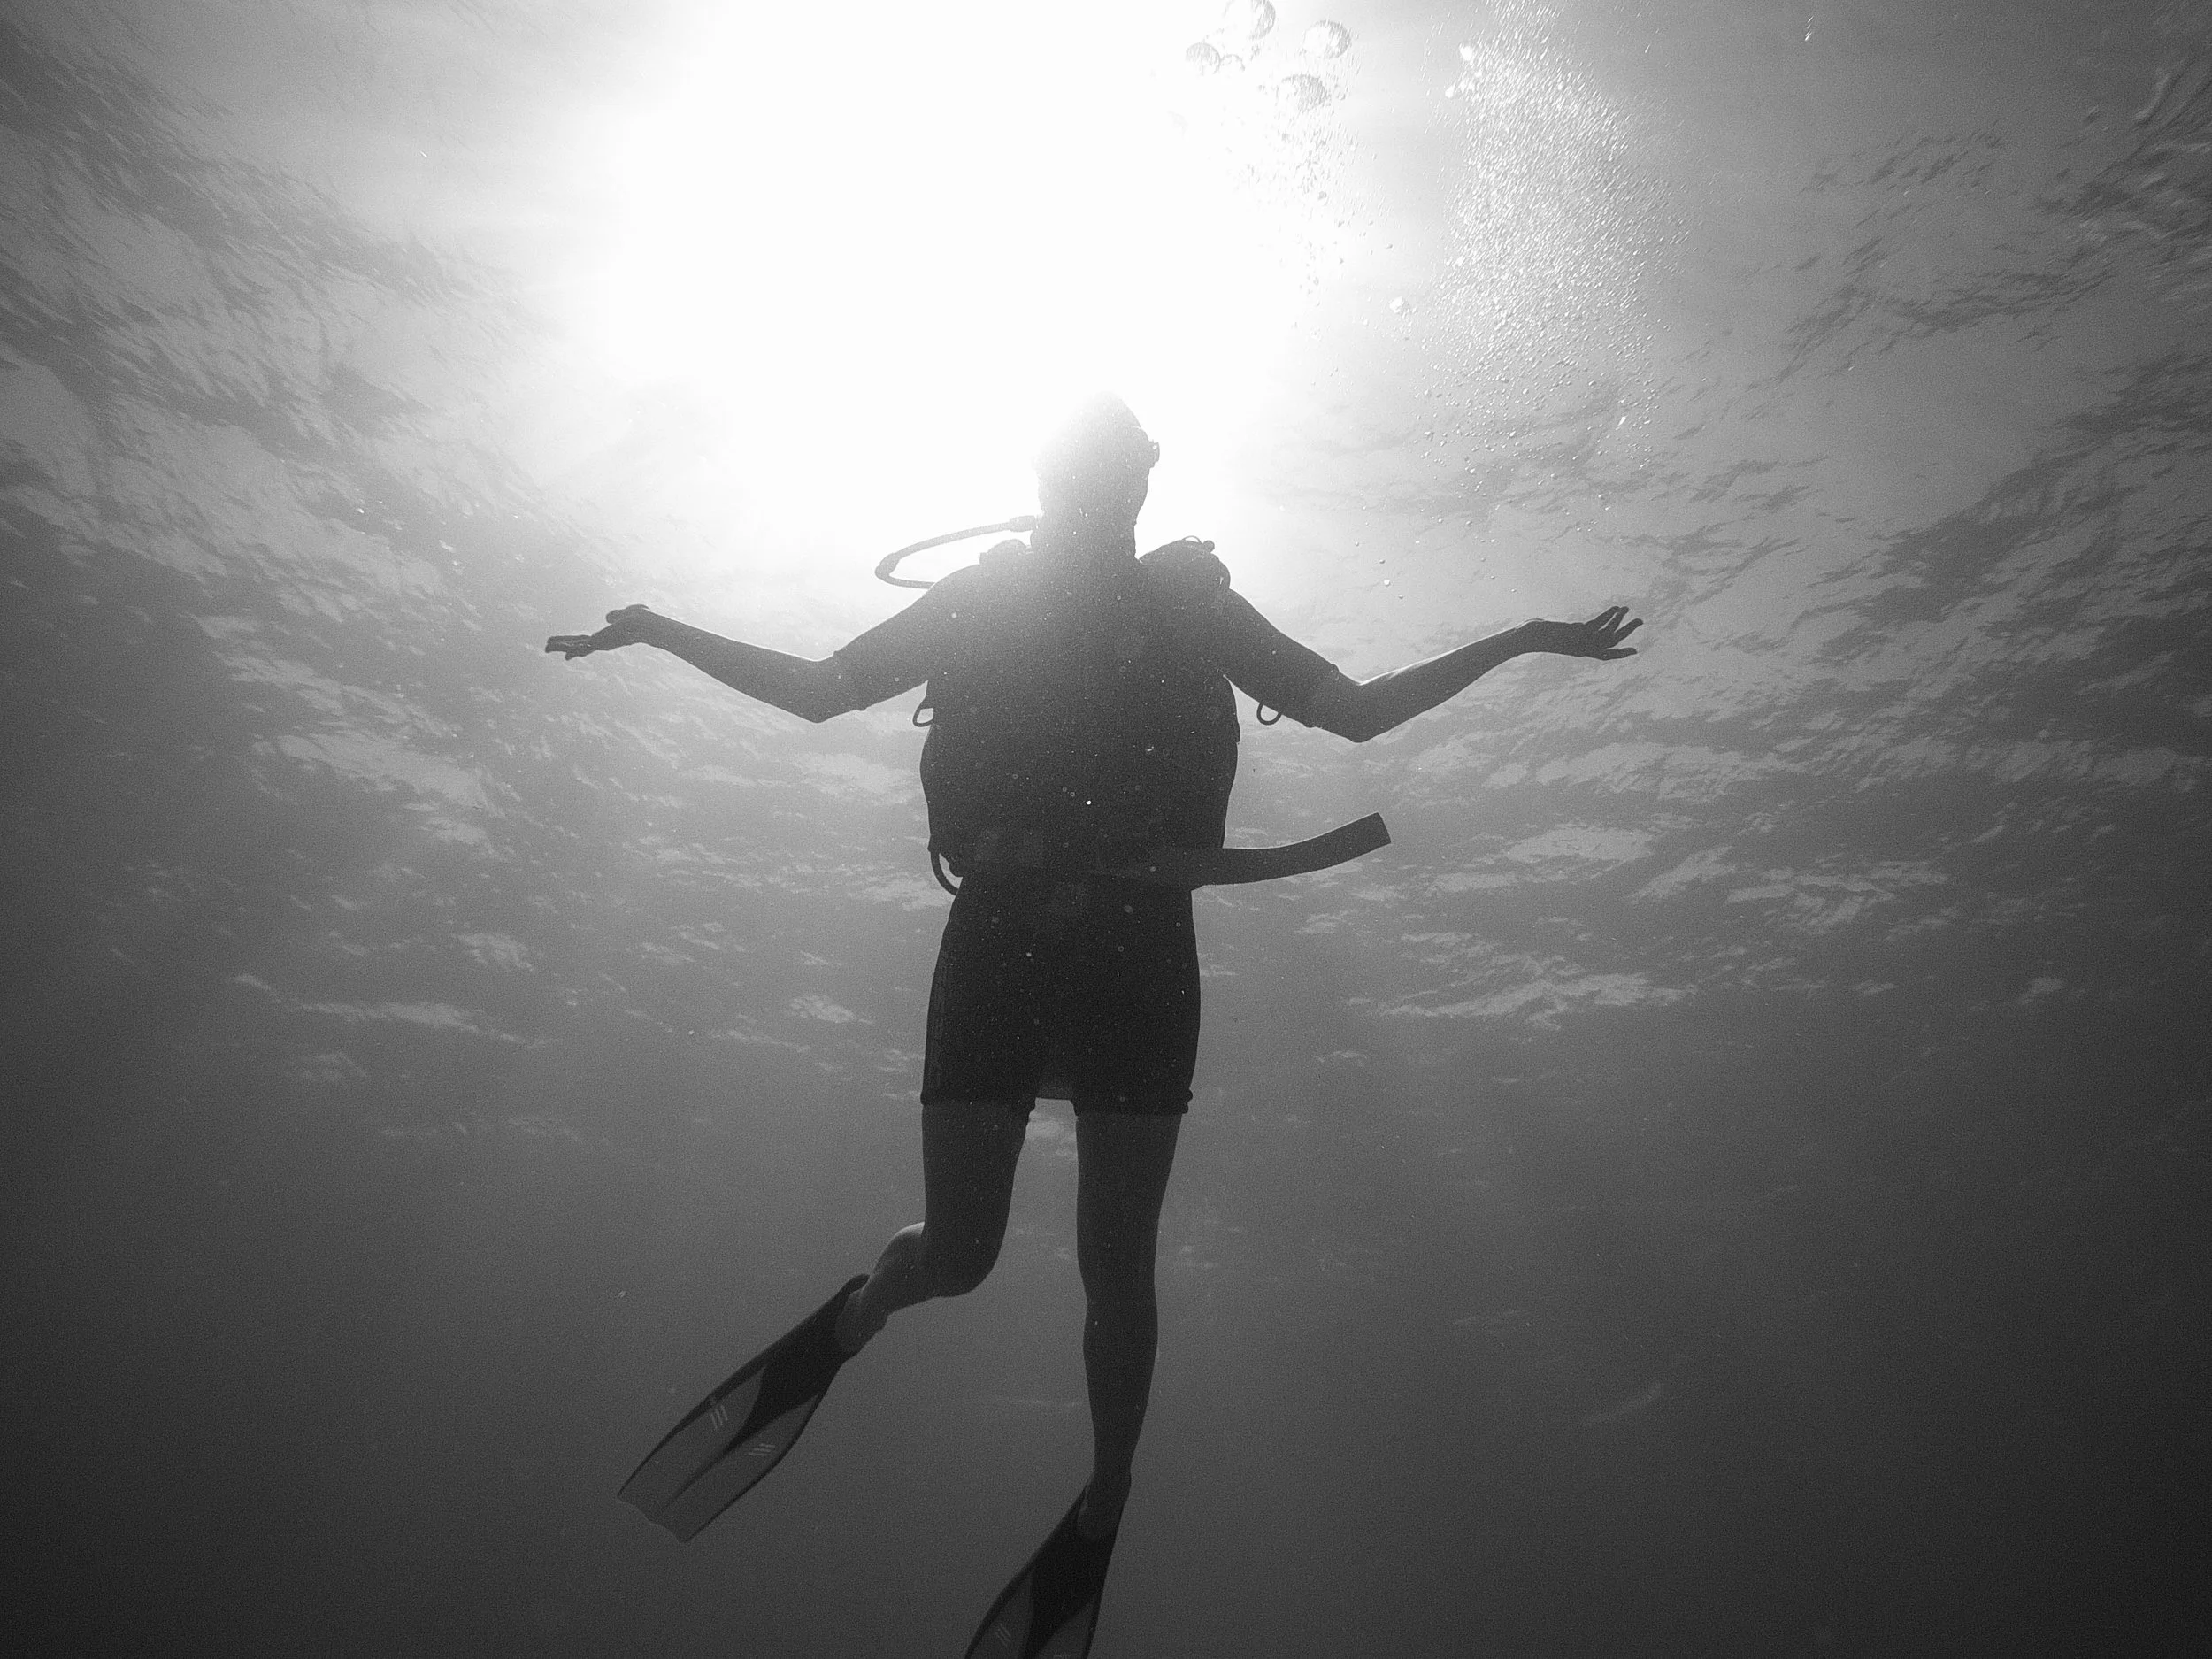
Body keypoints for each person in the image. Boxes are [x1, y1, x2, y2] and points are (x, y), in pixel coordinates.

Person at [549, 396, 1640, 1655]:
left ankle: (1104, 1496)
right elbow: (818, 689)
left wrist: (1528, 635)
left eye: (1119, 476)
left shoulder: (1195, 608)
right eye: (1085, 474)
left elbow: (1361, 709)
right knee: (960, 1254)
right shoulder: (981, 602)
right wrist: (658, 629)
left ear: (1143, 489)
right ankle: (855, 1319)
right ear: (1051, 482)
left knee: (1116, 1265)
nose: (1100, 496)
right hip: (1003, 933)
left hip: (1140, 944)